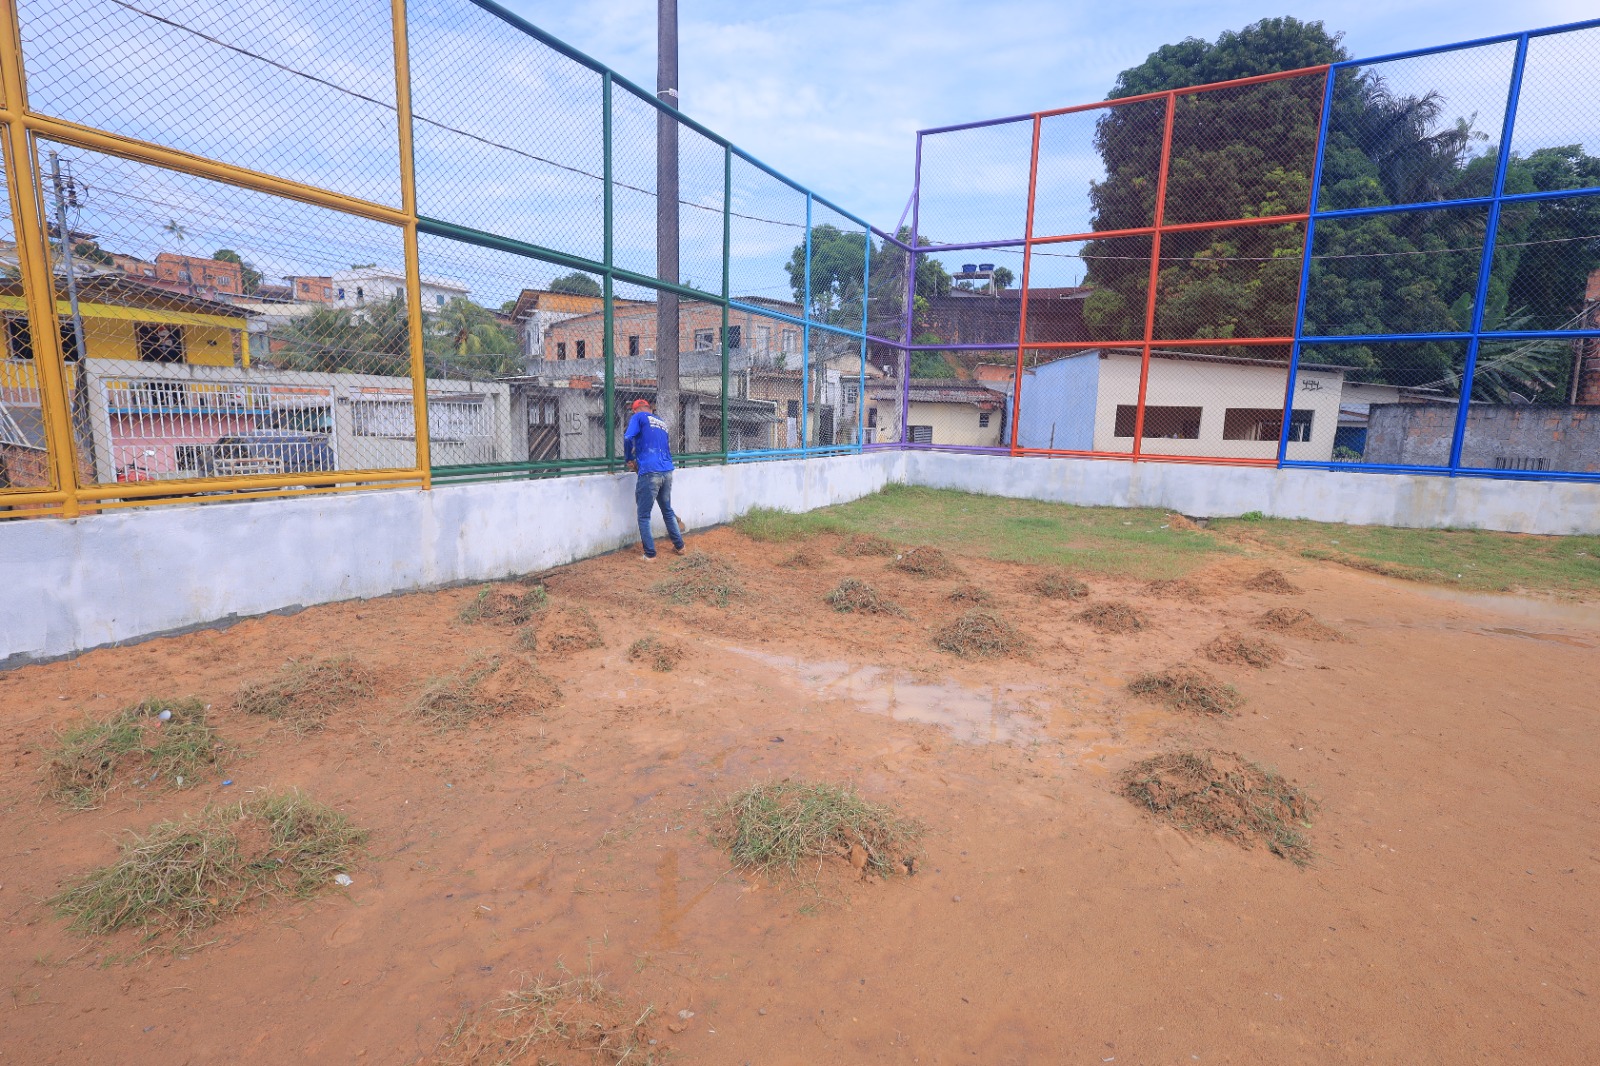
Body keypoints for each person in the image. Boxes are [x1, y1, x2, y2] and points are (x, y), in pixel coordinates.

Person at [623, 397, 685, 560]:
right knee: (667, 509)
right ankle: (680, 546)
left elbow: (628, 438)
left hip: (650, 471)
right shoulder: (661, 422)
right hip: (667, 470)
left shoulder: (638, 417)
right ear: (649, 409)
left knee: (643, 515)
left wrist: (629, 458)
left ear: (635, 410)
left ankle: (650, 554)